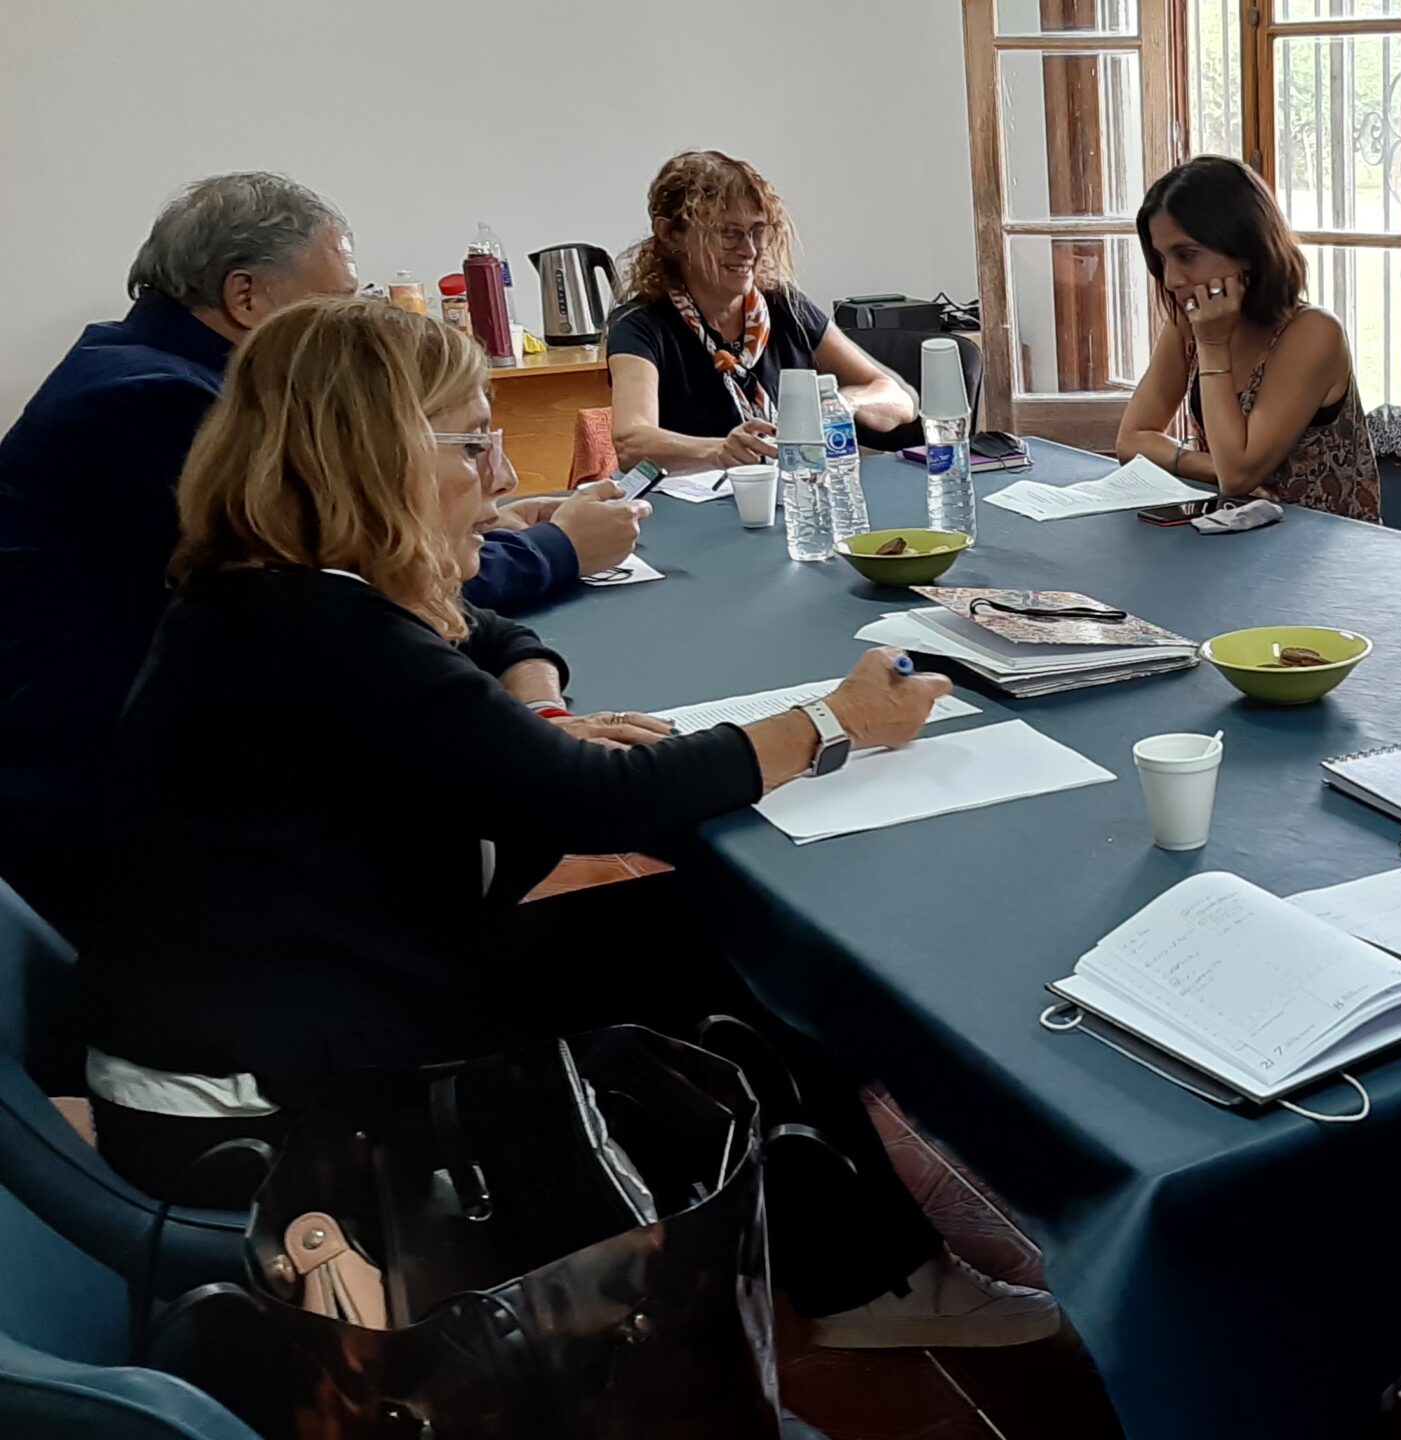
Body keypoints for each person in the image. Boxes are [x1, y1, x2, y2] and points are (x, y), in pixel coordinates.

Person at [81, 297, 1055, 1349]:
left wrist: (535, 714)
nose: (501, 478)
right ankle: (872, 1285)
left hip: (266, 1019)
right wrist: (837, 720)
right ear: (374, 457)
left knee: (696, 938)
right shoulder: (330, 639)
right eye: (472, 441)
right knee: (716, 987)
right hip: (262, 1108)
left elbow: (488, 633)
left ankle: (852, 1261)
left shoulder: (265, 598)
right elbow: (604, 803)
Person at [0, 174, 638, 938]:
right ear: (246, 298)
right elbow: (367, 581)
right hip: (131, 834)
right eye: (338, 298)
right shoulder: (159, 404)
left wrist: (484, 523)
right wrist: (560, 548)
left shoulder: (133, 366)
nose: (355, 321)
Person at [607, 151, 915, 470]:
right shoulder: (640, 325)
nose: (750, 250)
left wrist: (842, 403)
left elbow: (897, 399)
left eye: (757, 231)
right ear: (671, 235)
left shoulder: (785, 307)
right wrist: (719, 451)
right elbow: (631, 442)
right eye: (729, 233)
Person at [1114, 156, 1382, 523]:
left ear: (1247, 251)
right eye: (1162, 259)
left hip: (1322, 551)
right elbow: (1131, 440)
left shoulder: (1313, 333)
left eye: (1187, 255)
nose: (1172, 278)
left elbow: (1238, 474)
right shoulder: (1187, 322)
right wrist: (1208, 467)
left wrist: (1211, 347)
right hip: (1231, 531)